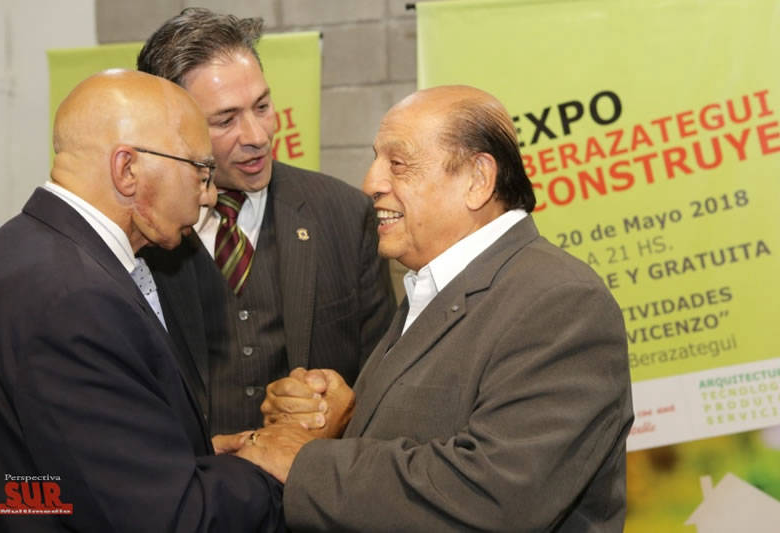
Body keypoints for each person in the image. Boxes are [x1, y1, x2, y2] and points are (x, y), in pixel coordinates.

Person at [244, 85, 634, 531]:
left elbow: (495, 497)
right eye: (376, 160)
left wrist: (306, 461)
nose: (371, 183)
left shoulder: (561, 301)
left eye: (398, 164)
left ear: (477, 180)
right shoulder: (436, 286)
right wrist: (340, 417)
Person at [0, 70, 293, 532]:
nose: (209, 196)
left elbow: (76, 470)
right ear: (127, 170)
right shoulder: (76, 300)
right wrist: (271, 466)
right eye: (200, 171)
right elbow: (170, 518)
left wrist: (190, 457)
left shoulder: (16, 249)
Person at [136, 7, 397, 435]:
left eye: (262, 106)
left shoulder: (345, 215)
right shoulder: (137, 231)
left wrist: (338, 409)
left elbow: (383, 381)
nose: (257, 136)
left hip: (313, 474)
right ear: (171, 127)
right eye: (226, 120)